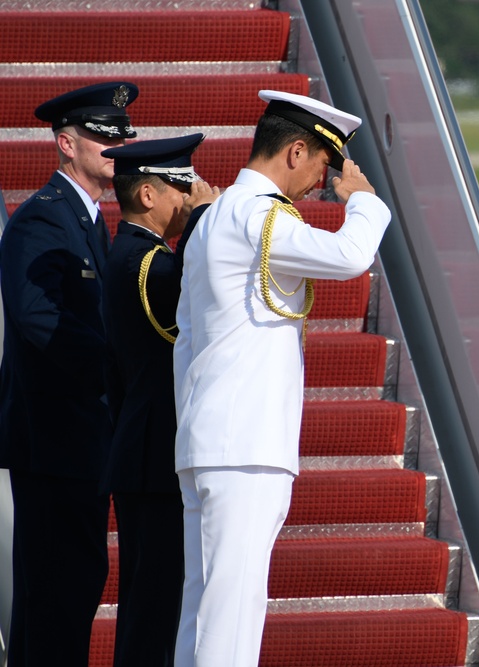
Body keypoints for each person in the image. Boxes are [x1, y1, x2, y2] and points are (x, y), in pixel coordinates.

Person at [172, 90, 391, 667]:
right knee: (232, 615)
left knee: (206, 608)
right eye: (323, 163)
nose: (324, 180)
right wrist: (365, 202)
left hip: (214, 440)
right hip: (244, 446)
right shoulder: (257, 214)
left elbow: (185, 342)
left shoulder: (215, 216)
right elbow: (349, 256)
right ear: (296, 151)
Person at [0, 81, 138, 666]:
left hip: (77, 440)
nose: (117, 149)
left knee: (58, 595)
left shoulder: (89, 221)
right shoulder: (43, 219)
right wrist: (113, 363)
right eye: (103, 140)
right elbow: (36, 316)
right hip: (52, 442)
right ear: (65, 144)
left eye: (120, 138)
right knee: (60, 592)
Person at [100, 134, 221, 667]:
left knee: (156, 602)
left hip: (146, 454)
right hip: (152, 459)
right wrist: (206, 221)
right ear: (148, 194)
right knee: (155, 605)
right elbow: (191, 323)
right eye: (180, 188)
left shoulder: (140, 254)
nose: (188, 198)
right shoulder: (145, 263)